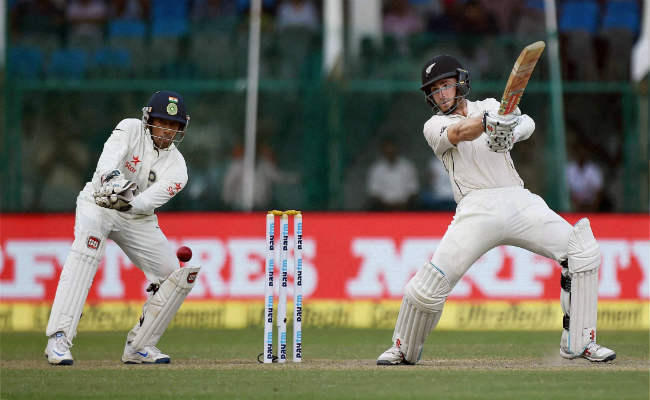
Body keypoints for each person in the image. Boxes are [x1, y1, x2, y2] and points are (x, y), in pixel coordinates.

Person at [376, 55, 616, 365]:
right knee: (427, 288)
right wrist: (488, 123)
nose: (441, 94)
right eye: (434, 90)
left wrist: (511, 132)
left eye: (445, 85)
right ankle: (403, 348)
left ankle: (580, 343)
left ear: (460, 83)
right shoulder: (434, 125)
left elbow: (527, 122)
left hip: (517, 199)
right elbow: (460, 133)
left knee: (581, 251)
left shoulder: (489, 104)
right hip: (475, 209)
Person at [44, 90, 201, 365]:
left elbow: (145, 202)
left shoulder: (178, 168)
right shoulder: (130, 128)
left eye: (173, 125)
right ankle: (59, 338)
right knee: (86, 254)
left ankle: (140, 345)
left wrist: (126, 200)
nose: (167, 131)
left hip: (137, 218)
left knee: (173, 275)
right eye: (162, 122)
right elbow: (107, 162)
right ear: (149, 119)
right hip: (99, 203)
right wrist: (112, 183)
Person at [366, 137, 419, 211]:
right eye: (387, 151)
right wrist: (387, 206)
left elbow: (413, 190)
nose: (390, 153)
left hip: (405, 207)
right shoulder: (376, 169)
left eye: (392, 150)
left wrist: (403, 205)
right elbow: (374, 192)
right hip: (383, 208)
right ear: (383, 151)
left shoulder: (407, 166)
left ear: (397, 149)